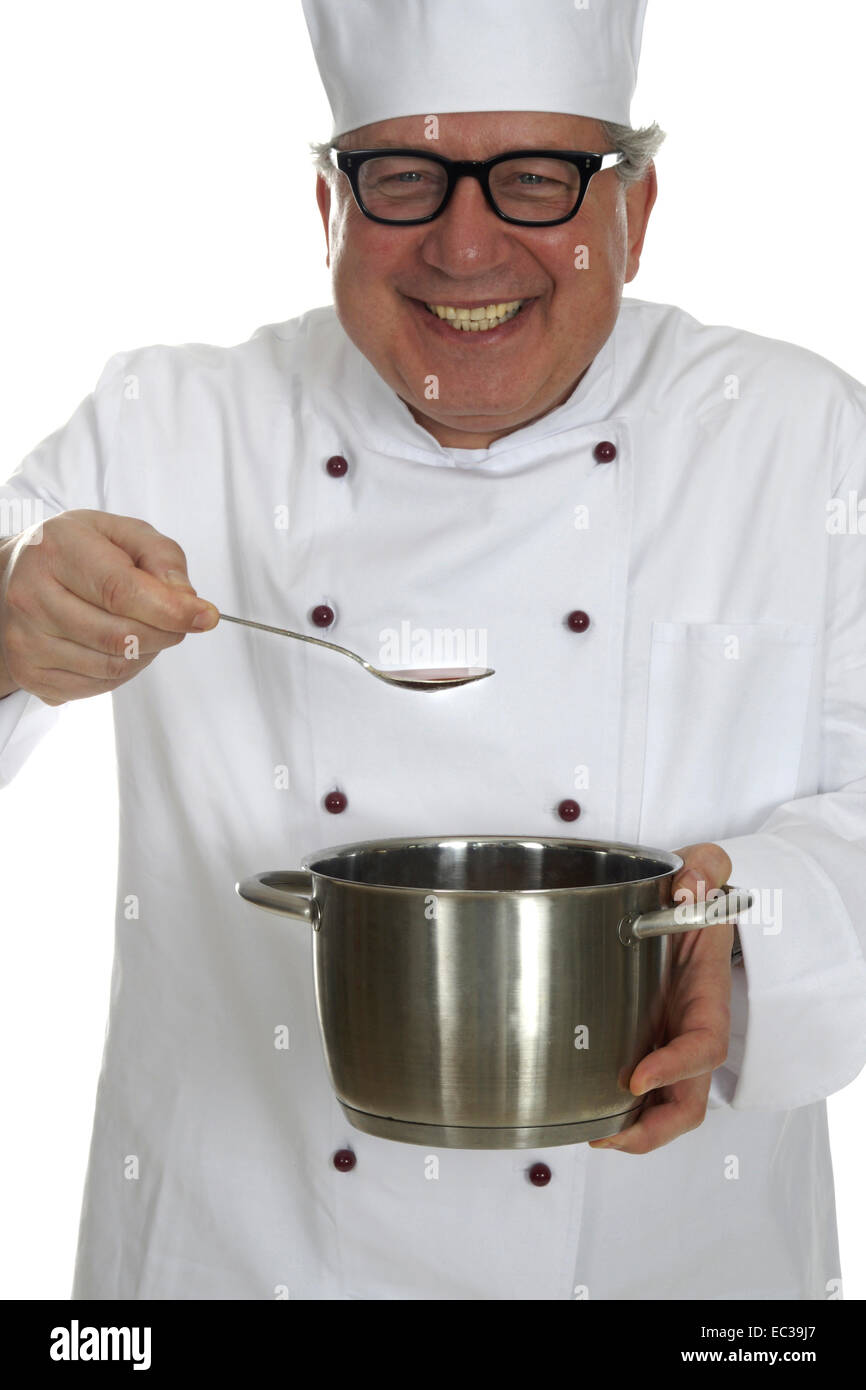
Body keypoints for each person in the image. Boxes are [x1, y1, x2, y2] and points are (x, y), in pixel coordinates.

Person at [1, 0, 864, 1300]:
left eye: (535, 178)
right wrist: (12, 622)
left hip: (670, 1267)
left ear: (632, 210)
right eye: (402, 177)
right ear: (325, 207)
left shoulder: (798, 436)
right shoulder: (165, 421)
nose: (465, 245)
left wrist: (742, 936)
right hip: (240, 1255)